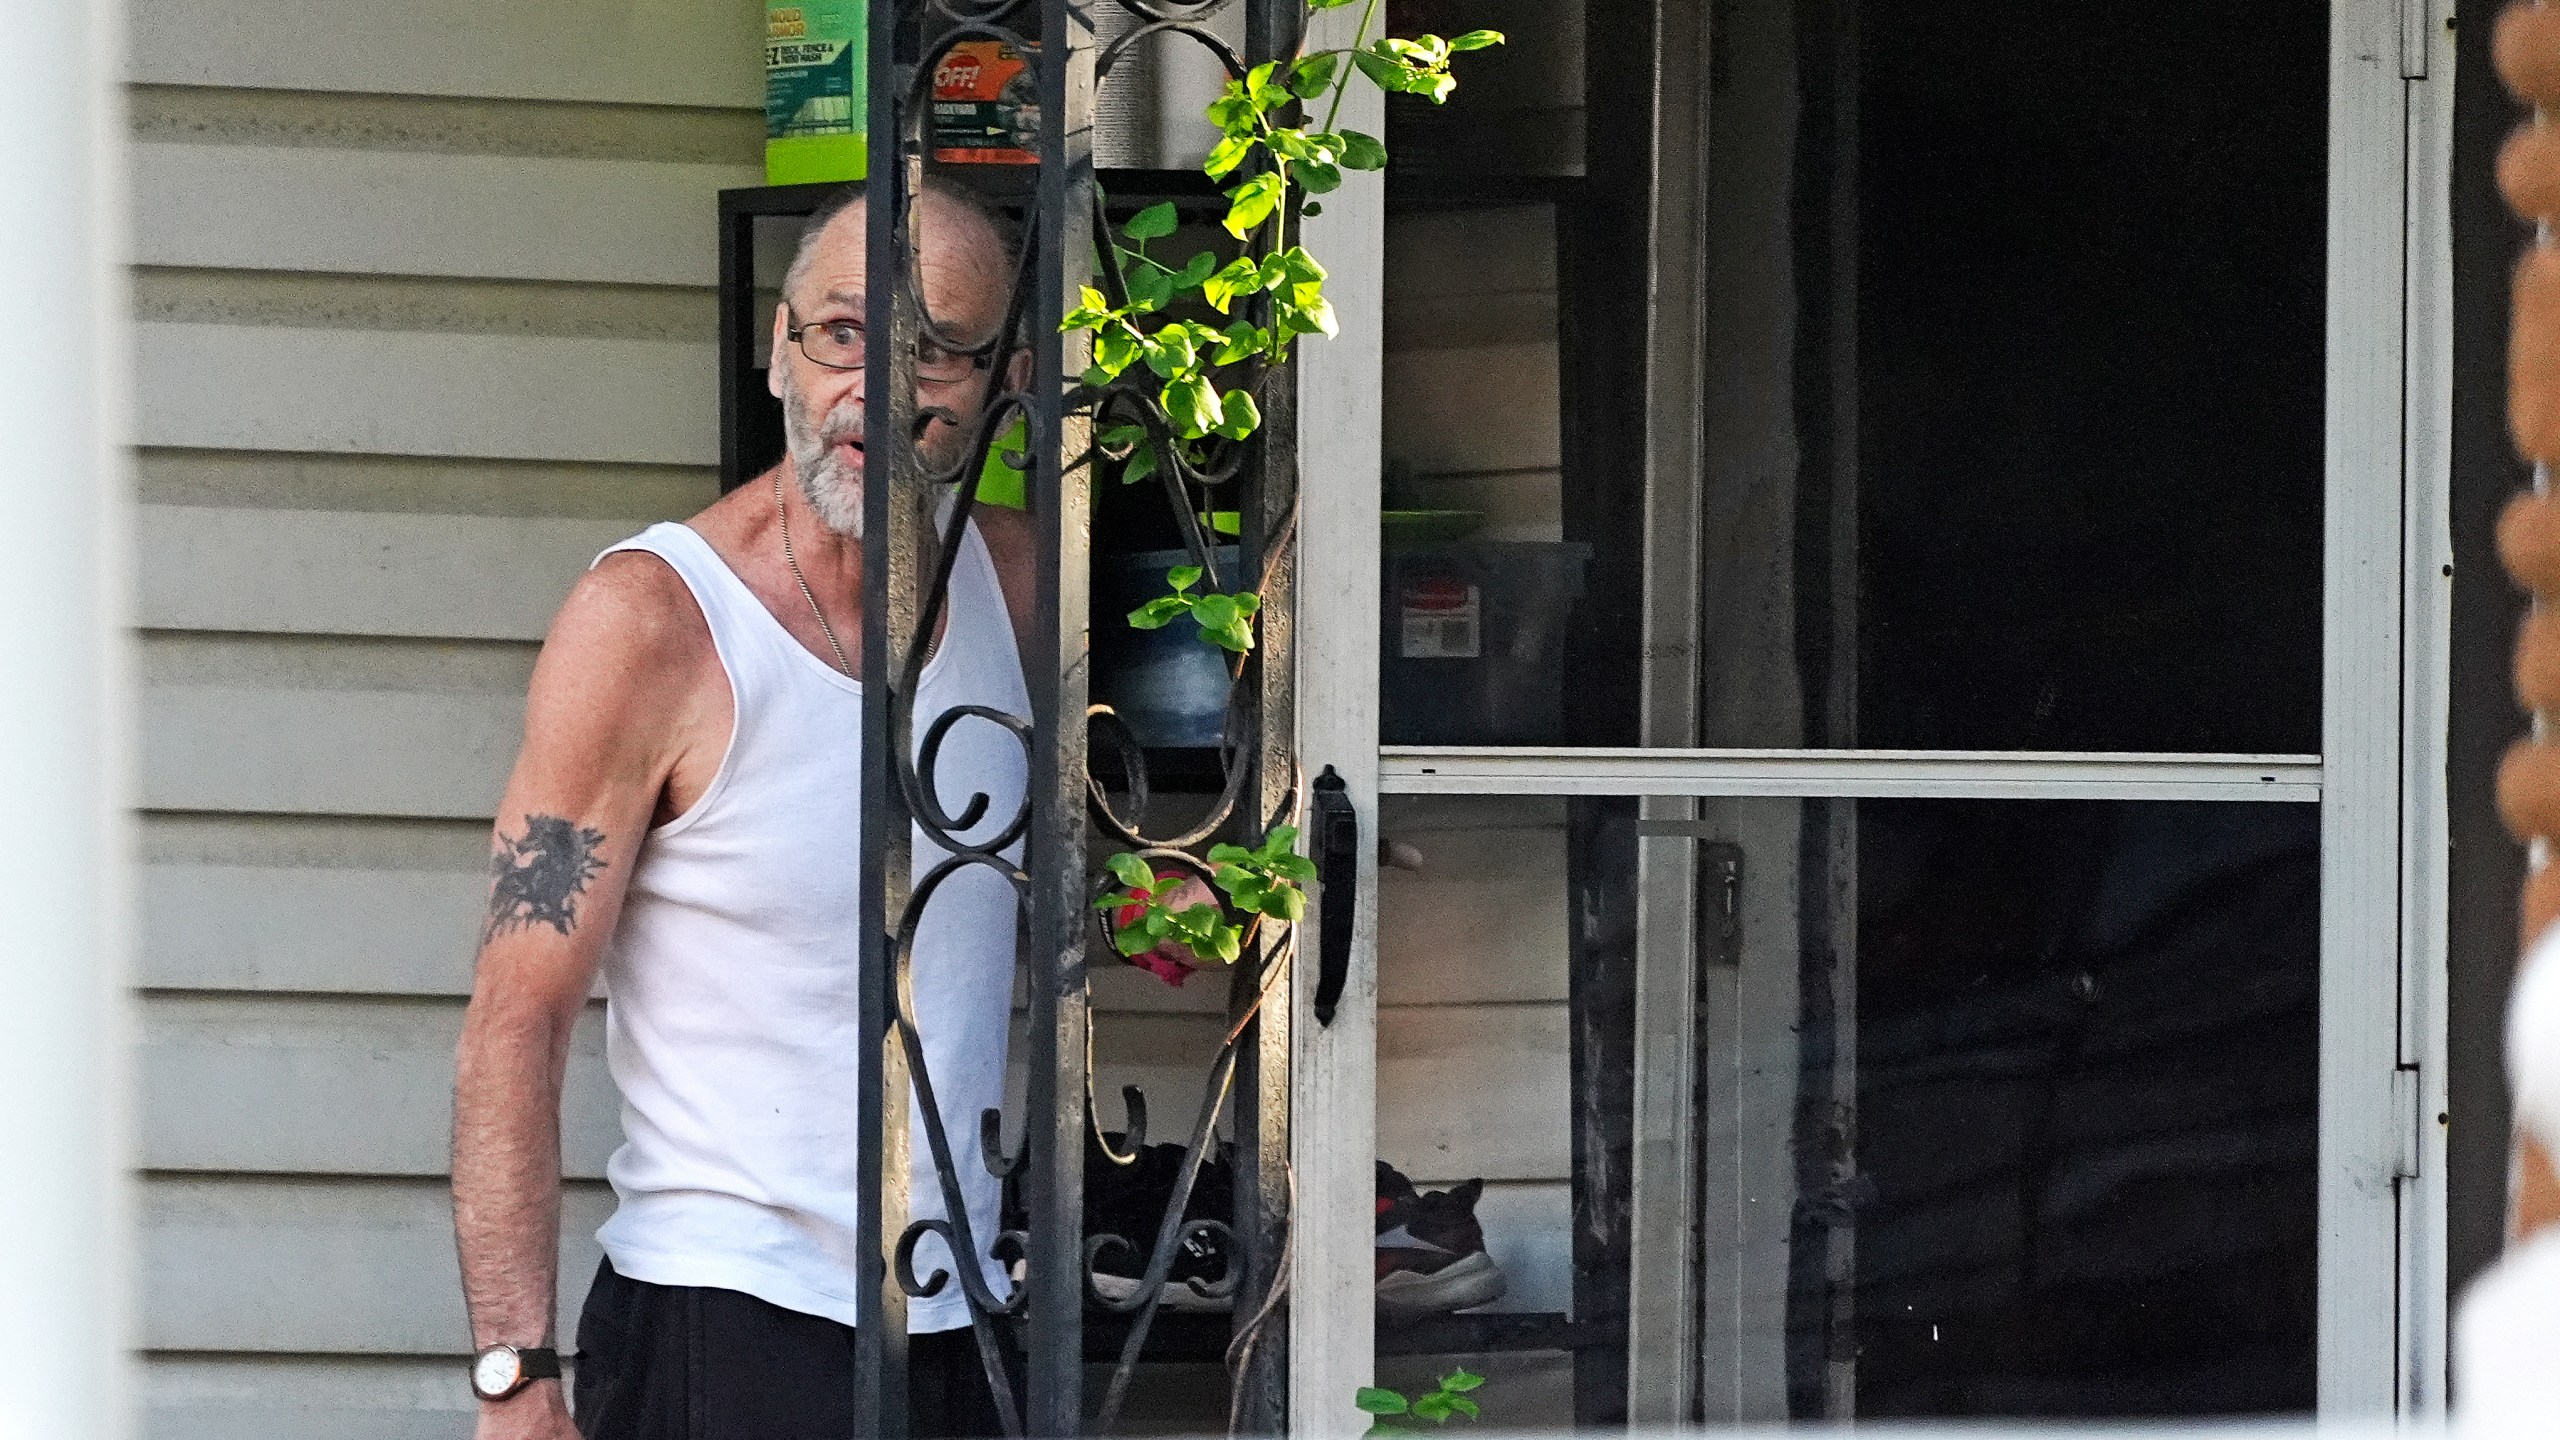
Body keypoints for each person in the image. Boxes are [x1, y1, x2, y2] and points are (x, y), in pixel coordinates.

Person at [449, 179, 1041, 1440]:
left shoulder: (1023, 584)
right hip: (726, 1319)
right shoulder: (653, 622)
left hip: (962, 1312)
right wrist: (516, 1374)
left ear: (1007, 378)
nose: (880, 388)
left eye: (940, 350)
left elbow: (1048, 863)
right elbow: (518, 1011)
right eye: (843, 334)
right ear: (779, 347)